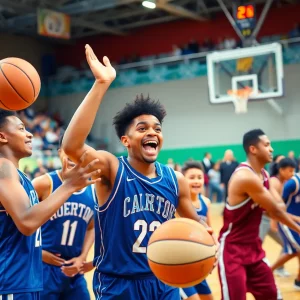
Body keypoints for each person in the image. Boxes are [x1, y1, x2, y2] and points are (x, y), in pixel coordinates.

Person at [62, 44, 217, 299]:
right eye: (142, 128)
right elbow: (71, 146)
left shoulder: (175, 179)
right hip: (118, 284)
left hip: (164, 280)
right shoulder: (112, 169)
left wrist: (209, 241)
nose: (152, 133)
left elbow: (195, 223)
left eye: (157, 128)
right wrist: (101, 83)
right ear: (126, 140)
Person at [0, 110, 100, 299]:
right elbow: (27, 222)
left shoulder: (20, 177)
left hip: (27, 280)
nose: (29, 133)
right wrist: (69, 186)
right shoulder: (3, 167)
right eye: (21, 129)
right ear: (2, 136)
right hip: (10, 282)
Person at [218, 129, 300, 300]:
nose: (271, 149)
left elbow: (279, 207)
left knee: (272, 295)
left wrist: (295, 219)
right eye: (267, 145)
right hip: (233, 251)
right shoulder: (245, 177)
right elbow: (275, 211)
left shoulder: (264, 174)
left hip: (254, 250)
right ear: (253, 149)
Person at [32, 136, 96, 299]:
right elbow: (20, 220)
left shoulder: (93, 191)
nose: (74, 156)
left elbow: (92, 227)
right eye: (69, 151)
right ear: (60, 153)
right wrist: (37, 251)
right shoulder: (44, 183)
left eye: (79, 152)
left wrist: (82, 257)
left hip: (74, 270)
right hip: (43, 268)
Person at [178, 161, 213, 300]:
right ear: (182, 180)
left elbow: (210, 231)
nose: (197, 181)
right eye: (192, 177)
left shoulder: (206, 202)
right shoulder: (177, 204)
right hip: (178, 265)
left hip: (196, 265)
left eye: (199, 177)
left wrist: (213, 252)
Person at [271, 171, 300, 290]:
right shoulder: (293, 183)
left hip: (296, 222)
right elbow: (277, 206)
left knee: (295, 252)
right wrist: (274, 220)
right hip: (286, 222)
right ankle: (267, 271)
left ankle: (298, 281)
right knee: (294, 251)